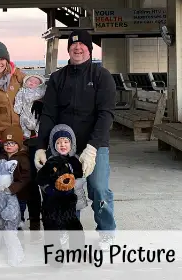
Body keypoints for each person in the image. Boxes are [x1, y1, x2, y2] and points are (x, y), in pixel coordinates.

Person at [34, 29, 117, 250]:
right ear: (68, 49)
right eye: (73, 46)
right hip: (64, 149)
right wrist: (41, 147)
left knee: (99, 188)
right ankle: (70, 232)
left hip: (94, 145)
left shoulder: (102, 77)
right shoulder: (58, 78)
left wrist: (92, 148)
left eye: (82, 45)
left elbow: (106, 113)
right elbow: (49, 113)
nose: (77, 48)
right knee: (66, 189)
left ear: (89, 49)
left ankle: (107, 232)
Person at [0, 40, 42, 233]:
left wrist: (41, 100)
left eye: (2, 59)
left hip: (24, 139)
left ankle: (35, 222)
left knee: (28, 180)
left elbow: (36, 86)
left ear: (7, 60)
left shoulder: (17, 75)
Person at [45, 124, 90, 218]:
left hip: (74, 199)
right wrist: (49, 188)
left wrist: (71, 184)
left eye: (66, 142)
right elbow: (43, 178)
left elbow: (82, 177)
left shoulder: (75, 160)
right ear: (53, 145)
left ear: (71, 144)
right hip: (56, 199)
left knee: (74, 224)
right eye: (58, 142)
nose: (62, 145)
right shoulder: (51, 161)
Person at [0, 126, 32, 231]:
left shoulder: (23, 158)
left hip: (19, 194)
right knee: (4, 214)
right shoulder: (1, 156)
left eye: (12, 143)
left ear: (18, 144)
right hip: (4, 194)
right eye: (6, 143)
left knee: (17, 215)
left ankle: (18, 232)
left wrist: (13, 188)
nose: (9, 146)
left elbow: (26, 177)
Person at [13, 74, 46, 138]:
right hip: (25, 109)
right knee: (22, 119)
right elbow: (18, 98)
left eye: (35, 82)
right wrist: (18, 108)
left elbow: (43, 94)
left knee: (38, 121)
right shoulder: (22, 90)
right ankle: (26, 132)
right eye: (30, 81)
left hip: (34, 110)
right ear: (25, 82)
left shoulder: (39, 91)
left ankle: (37, 132)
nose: (32, 83)